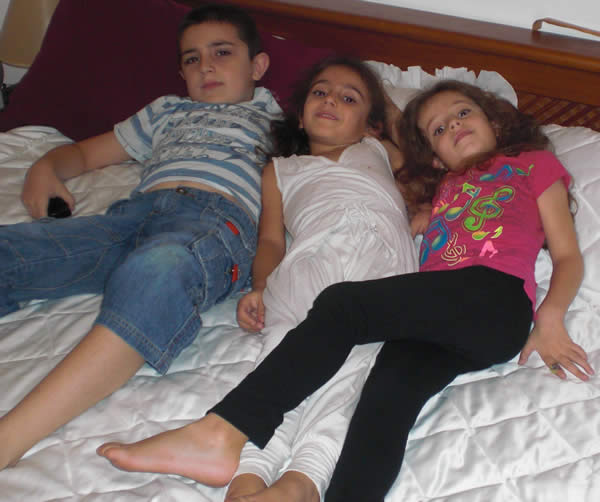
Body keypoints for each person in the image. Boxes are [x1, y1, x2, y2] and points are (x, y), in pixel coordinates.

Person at [95, 79, 593, 502]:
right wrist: (422, 217)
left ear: (496, 123)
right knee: (383, 402)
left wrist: (549, 318)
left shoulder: (530, 163)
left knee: (344, 303)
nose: (453, 126)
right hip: (445, 321)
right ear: (435, 158)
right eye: (438, 130)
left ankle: (225, 428)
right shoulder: (443, 191)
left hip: (493, 299)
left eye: (463, 113)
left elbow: (568, 256)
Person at [98, 54, 420, 501]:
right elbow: (270, 240)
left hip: (379, 260)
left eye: (349, 98)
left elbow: (414, 139)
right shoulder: (280, 169)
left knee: (351, 373)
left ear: (371, 125)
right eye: (320, 92)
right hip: (310, 260)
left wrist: (378, 87)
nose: (330, 100)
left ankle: (299, 481)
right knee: (283, 362)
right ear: (300, 116)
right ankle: (249, 474)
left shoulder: (379, 150)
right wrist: (262, 286)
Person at [0, 4, 281, 471]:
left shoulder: (281, 122)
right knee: (13, 249)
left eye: (222, 52)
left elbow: (354, 140)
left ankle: (11, 437)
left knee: (160, 269)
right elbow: (84, 155)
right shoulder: (166, 111)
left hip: (214, 224)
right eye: (191, 58)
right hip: (132, 217)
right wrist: (44, 167)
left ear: (257, 65)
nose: (206, 66)